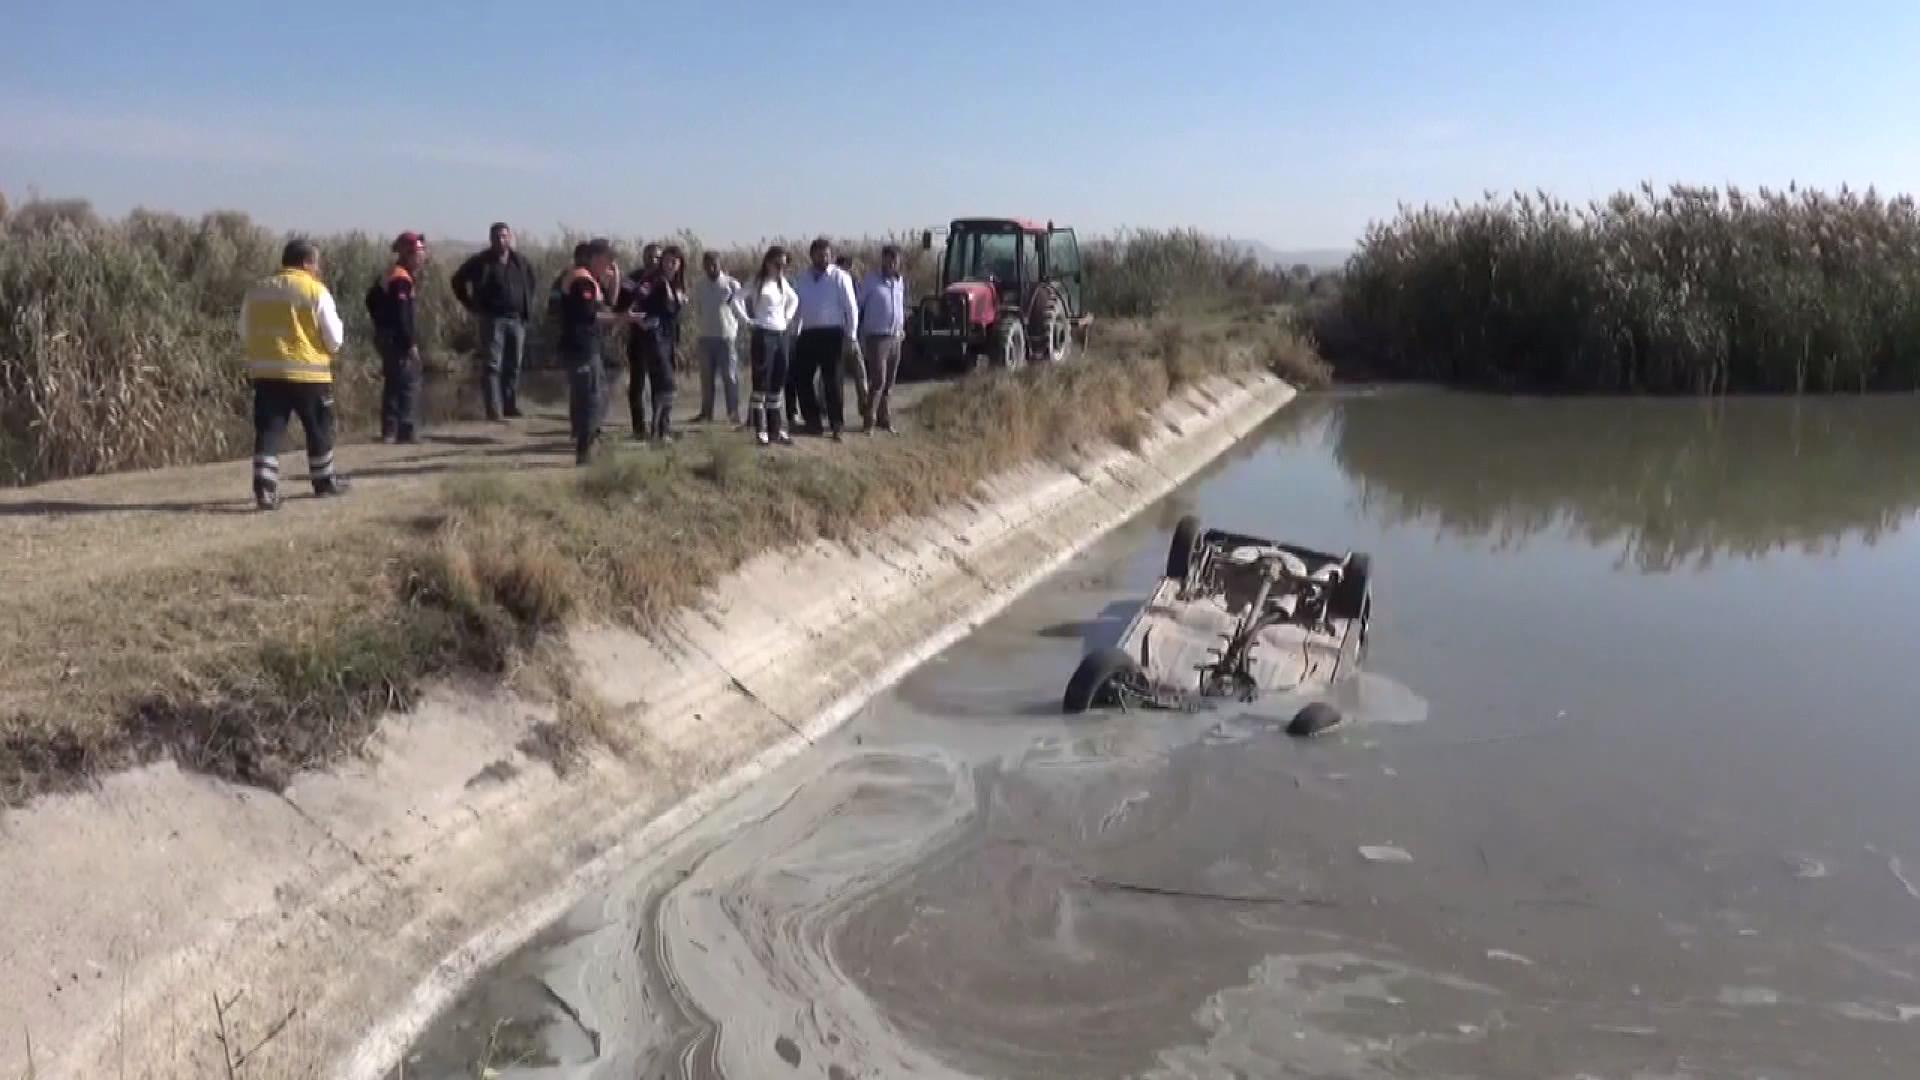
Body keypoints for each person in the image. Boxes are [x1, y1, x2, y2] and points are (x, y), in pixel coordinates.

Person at [241, 238, 348, 509]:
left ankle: (264, 489)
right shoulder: (315, 291)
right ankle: (324, 481)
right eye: (317, 263)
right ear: (306, 263)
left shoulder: (257, 290)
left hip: (267, 374)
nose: (319, 269)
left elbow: (243, 330)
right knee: (318, 428)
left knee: (269, 430)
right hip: (309, 375)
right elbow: (334, 338)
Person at [554, 239, 636, 465]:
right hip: (582, 346)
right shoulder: (583, 281)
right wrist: (624, 318)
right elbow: (590, 316)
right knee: (590, 398)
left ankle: (589, 444)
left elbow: (606, 304)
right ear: (596, 258)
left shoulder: (588, 279)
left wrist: (614, 281)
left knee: (593, 394)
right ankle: (585, 450)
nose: (609, 268)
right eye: (608, 262)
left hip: (585, 346)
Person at [451, 222, 537, 421]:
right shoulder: (481, 261)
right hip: (493, 319)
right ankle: (494, 410)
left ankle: (510, 406)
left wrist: (526, 306)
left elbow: (531, 283)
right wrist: (471, 304)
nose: (501, 240)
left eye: (504, 236)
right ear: (491, 239)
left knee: (513, 365)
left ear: (510, 237)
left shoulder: (520, 261)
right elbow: (457, 281)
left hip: (517, 320)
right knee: (492, 365)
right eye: (497, 236)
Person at [617, 245, 689, 443]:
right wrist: (636, 319)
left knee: (664, 385)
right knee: (663, 383)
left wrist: (677, 345)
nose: (670, 264)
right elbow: (635, 300)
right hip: (652, 336)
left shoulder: (677, 284)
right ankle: (652, 430)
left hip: (668, 337)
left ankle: (662, 429)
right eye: (667, 260)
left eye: (675, 261)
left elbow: (676, 316)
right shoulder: (651, 280)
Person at [790, 237, 859, 440]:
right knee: (802, 377)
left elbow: (851, 307)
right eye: (820, 254)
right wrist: (794, 332)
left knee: (833, 381)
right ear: (812, 255)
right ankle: (812, 421)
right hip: (809, 333)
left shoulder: (840, 277)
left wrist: (851, 335)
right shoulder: (803, 278)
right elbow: (797, 309)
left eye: (827, 254)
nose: (824, 258)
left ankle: (836, 424)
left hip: (833, 333)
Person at [368, 232, 428, 443]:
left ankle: (389, 431)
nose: (422, 258)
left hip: (386, 336)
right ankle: (406, 430)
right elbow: (403, 315)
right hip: (397, 339)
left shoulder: (390, 273)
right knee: (409, 382)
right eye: (418, 253)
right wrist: (410, 342)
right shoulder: (401, 279)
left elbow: (371, 300)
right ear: (408, 254)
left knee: (393, 383)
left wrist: (380, 323)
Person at [743, 245, 799, 446]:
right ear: (768, 263)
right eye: (778, 264)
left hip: (781, 333)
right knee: (761, 382)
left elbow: (794, 299)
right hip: (763, 334)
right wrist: (748, 320)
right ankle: (760, 429)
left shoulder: (782, 283)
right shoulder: (758, 282)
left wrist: (788, 317)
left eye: (785, 265)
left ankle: (776, 429)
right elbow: (736, 301)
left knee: (777, 381)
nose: (781, 268)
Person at [692, 250, 750, 424]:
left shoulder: (731, 285)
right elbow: (698, 308)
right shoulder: (700, 285)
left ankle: (733, 413)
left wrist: (742, 328)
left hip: (726, 337)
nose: (710, 267)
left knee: (730, 376)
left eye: (714, 264)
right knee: (706, 378)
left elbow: (741, 310)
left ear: (720, 264)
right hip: (706, 336)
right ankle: (706, 413)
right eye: (707, 264)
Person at [857, 244, 909, 434]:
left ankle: (884, 419)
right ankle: (868, 421)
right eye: (888, 259)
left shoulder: (900, 282)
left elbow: (900, 306)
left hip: (896, 336)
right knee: (878, 380)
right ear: (883, 260)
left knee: (890, 382)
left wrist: (902, 329)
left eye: (895, 259)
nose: (891, 263)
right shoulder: (871, 281)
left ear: (899, 261)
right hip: (877, 337)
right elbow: (859, 305)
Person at [836, 253, 868, 420]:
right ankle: (833, 409)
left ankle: (865, 409)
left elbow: (859, 308)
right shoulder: (835, 284)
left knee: (860, 374)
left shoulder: (854, 283)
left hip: (852, 336)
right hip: (839, 335)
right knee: (837, 375)